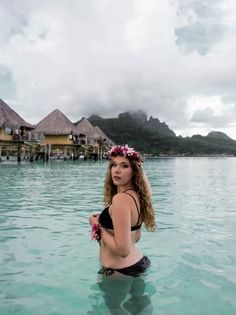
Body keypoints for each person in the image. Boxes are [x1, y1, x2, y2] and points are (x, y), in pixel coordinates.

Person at [89, 144, 156, 277]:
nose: (117, 170)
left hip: (118, 272)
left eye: (124, 166)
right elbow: (135, 238)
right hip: (138, 263)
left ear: (134, 171)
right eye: (114, 165)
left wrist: (97, 225)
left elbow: (123, 251)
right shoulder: (141, 197)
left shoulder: (121, 199)